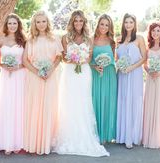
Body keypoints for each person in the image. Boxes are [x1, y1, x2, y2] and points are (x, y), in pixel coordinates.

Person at [53, 10, 109, 157]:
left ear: (84, 22)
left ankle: (84, 136)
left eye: (81, 21)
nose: (78, 23)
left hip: (84, 73)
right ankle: (69, 136)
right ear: (72, 22)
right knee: (69, 103)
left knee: (83, 102)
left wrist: (82, 59)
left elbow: (89, 57)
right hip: (70, 72)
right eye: (75, 21)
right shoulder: (65, 38)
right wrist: (72, 59)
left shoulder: (89, 38)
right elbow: (64, 58)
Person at [22, 11, 63, 155]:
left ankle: (46, 143)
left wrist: (50, 70)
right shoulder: (30, 40)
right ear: (34, 24)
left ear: (47, 22)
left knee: (49, 108)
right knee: (35, 109)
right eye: (38, 22)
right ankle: (34, 143)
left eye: (43, 21)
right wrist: (37, 71)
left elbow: (59, 57)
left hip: (51, 77)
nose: (41, 24)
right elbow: (25, 61)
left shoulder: (55, 38)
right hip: (34, 78)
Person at [0, 13, 27, 155]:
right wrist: (4, 66)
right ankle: (6, 142)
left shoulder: (24, 40)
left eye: (14, 23)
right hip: (6, 77)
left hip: (20, 76)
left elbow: (27, 61)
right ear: (6, 25)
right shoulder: (0, 40)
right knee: (6, 106)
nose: (12, 26)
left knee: (19, 106)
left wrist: (17, 67)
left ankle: (19, 142)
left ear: (18, 25)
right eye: (10, 23)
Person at [116, 13, 146, 149]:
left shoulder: (139, 38)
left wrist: (131, 67)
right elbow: (117, 58)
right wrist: (120, 66)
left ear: (135, 24)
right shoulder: (120, 39)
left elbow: (144, 58)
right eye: (126, 22)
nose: (128, 25)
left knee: (134, 101)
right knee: (123, 101)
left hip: (135, 74)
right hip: (122, 75)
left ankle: (132, 136)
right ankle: (122, 135)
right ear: (123, 24)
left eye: (131, 22)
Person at [91, 14, 117, 143]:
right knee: (95, 101)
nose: (104, 27)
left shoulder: (112, 41)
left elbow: (115, 59)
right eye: (102, 24)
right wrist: (94, 66)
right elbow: (87, 59)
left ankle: (107, 134)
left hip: (109, 75)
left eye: (107, 25)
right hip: (96, 74)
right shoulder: (91, 40)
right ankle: (96, 134)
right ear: (98, 24)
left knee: (108, 103)